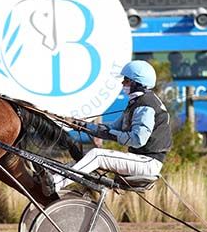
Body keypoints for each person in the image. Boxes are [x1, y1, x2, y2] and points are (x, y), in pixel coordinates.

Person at [53, 60, 172, 191]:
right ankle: (54, 176)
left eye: (126, 81)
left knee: (97, 156)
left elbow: (138, 140)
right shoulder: (137, 102)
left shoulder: (145, 105)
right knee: (86, 156)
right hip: (141, 159)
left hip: (147, 162)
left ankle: (55, 183)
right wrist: (81, 125)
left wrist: (113, 135)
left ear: (137, 84)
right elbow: (113, 128)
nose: (122, 83)